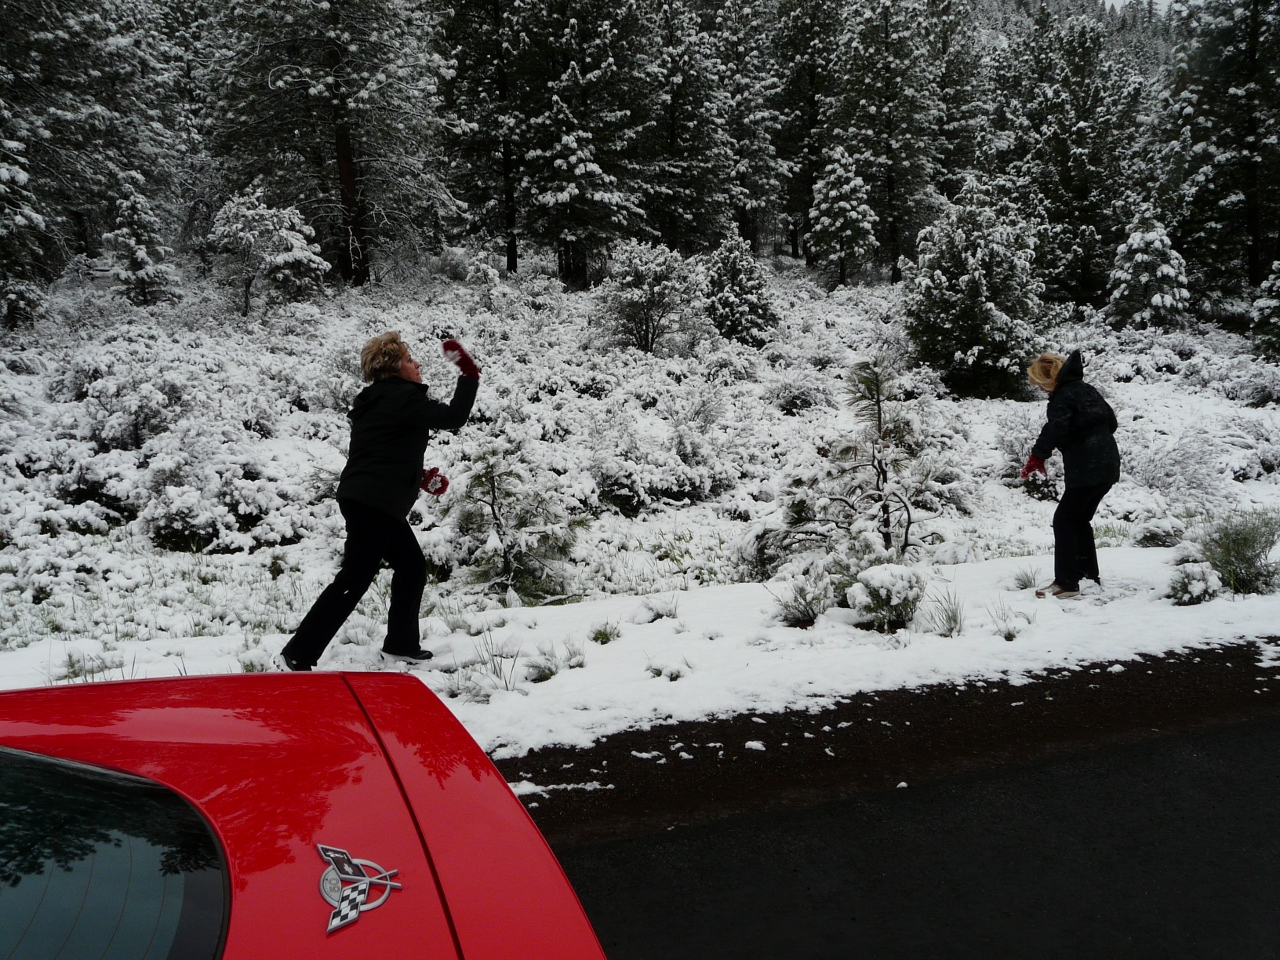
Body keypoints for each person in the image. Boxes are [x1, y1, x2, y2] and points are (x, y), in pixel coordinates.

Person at [278, 332, 480, 671]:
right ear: (393, 369)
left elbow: (383, 453)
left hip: (367, 498)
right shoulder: (403, 398)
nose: (417, 364)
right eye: (409, 360)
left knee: (411, 567)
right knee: (356, 577)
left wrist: (421, 475)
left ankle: (401, 644)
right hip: (376, 503)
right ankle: (297, 654)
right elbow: (454, 417)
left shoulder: (376, 400)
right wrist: (468, 374)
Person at [1020, 350, 1120, 599]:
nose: (1041, 390)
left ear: (1049, 380)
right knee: (1079, 520)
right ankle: (1087, 576)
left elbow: (1056, 427)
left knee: (1064, 520)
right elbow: (1111, 422)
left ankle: (1066, 582)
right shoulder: (1087, 389)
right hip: (1108, 466)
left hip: (1086, 468)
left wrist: (1037, 457)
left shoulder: (1063, 396)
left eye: (1041, 384)